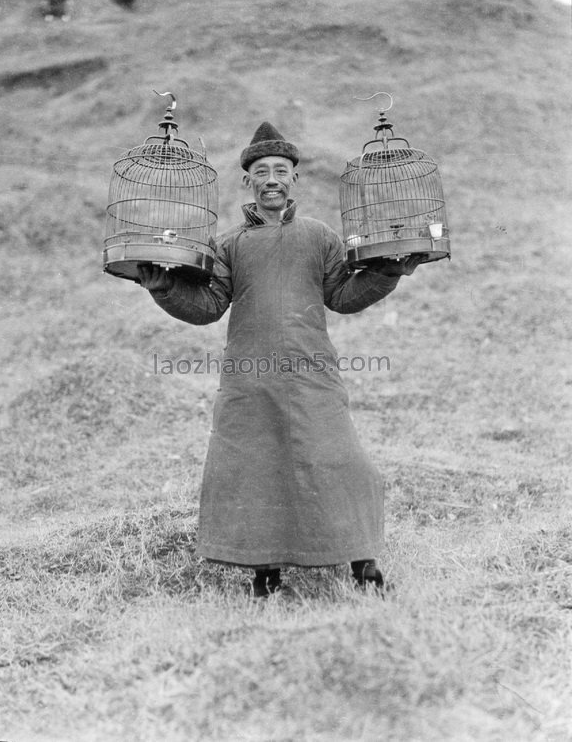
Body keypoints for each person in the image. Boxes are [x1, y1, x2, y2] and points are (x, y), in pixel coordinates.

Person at [138, 122, 421, 597]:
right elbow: (208, 306)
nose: (272, 179)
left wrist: (388, 273)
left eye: (282, 171)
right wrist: (163, 289)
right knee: (254, 466)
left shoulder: (319, 236)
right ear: (248, 181)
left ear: (295, 180)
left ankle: (362, 564)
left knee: (338, 459)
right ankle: (263, 571)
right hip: (249, 377)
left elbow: (343, 296)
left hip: (314, 372)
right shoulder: (229, 244)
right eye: (262, 171)